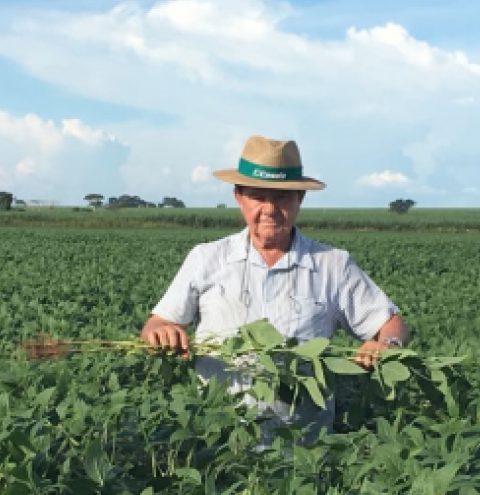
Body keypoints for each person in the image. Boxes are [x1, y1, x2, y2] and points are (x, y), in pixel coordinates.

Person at [140, 135, 408, 443]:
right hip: (219, 445)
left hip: (304, 448)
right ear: (239, 197)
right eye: (258, 196)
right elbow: (156, 324)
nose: (269, 209)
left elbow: (391, 323)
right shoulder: (206, 258)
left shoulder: (333, 264)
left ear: (299, 199)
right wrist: (160, 333)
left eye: (281, 197)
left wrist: (387, 344)